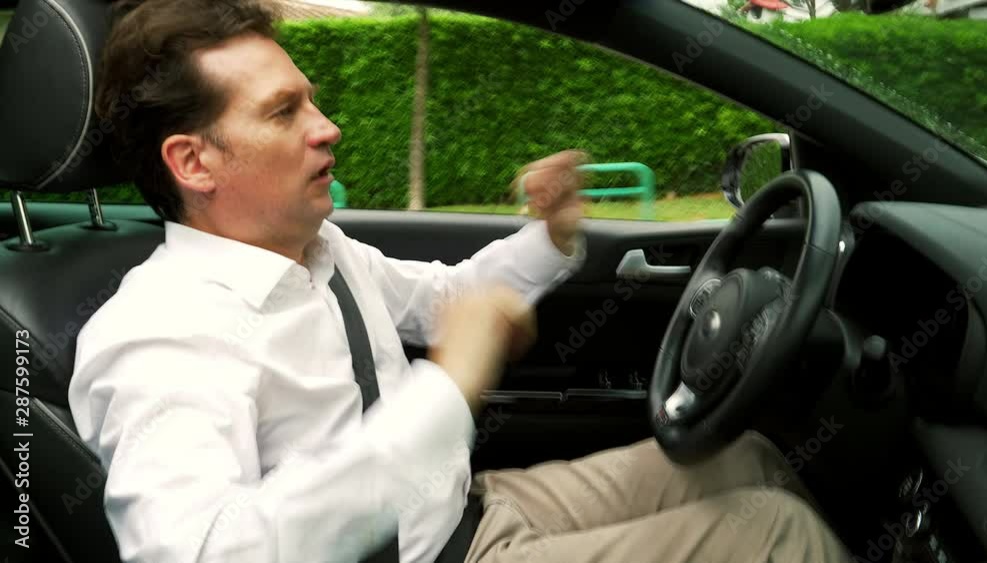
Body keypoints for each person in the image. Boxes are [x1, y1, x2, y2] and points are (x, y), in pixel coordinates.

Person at [68, 1, 852, 562]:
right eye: (283, 112)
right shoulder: (156, 335)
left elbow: (447, 300)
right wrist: (447, 387)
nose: (328, 126)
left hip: (469, 508)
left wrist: (550, 236)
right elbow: (208, 549)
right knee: (774, 533)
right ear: (194, 161)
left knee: (743, 457)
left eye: (312, 100)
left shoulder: (321, 250)